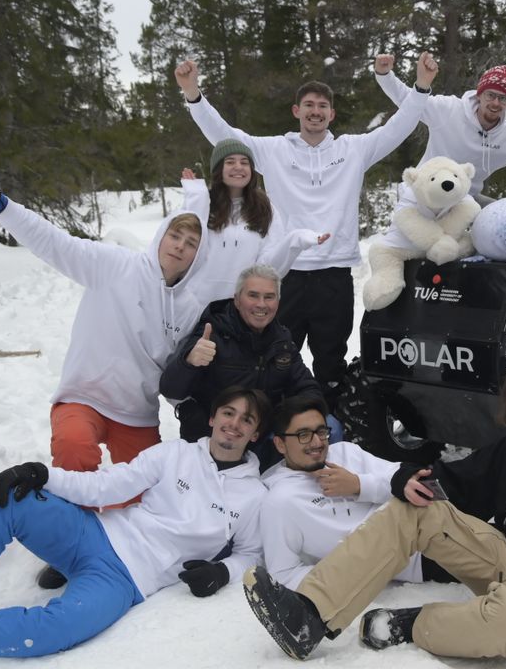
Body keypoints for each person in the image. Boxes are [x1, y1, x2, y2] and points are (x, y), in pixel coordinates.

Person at [240, 362, 506, 660]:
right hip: (505, 560)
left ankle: (411, 625)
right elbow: (453, 482)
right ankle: (310, 614)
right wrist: (404, 480)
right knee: (415, 507)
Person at [0, 387, 269, 666]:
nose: (234, 424)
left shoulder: (253, 496)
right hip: (94, 533)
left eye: (246, 420)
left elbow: (250, 551)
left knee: (58, 629)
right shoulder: (175, 454)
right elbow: (109, 484)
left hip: (125, 580)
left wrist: (222, 571)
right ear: (213, 417)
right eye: (228, 413)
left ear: (255, 433)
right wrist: (41, 474)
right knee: (13, 500)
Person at [174, 52, 438, 408]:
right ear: (296, 111)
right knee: (276, 359)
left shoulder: (354, 149)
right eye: (309, 105)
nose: (316, 111)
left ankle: (330, 429)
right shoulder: (274, 150)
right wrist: (193, 94)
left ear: (332, 114)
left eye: (323, 106)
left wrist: (421, 86)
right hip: (286, 275)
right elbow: (224, 136)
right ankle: (273, 430)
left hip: (334, 274)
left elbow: (399, 126)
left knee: (331, 362)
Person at [0, 160, 207, 474]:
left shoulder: (191, 307)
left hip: (136, 414)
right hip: (83, 398)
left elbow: (175, 371)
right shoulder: (114, 265)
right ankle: (68, 520)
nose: (180, 246)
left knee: (143, 495)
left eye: (191, 243)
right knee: (73, 454)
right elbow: (54, 243)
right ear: (161, 235)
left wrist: (194, 409)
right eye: (176, 236)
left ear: (199, 255)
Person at [259, 395, 455, 589]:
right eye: (303, 435)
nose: (317, 442)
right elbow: (283, 573)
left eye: (321, 431)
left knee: (476, 470)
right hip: (418, 557)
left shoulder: (345, 452)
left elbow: (405, 478)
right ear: (280, 444)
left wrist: (359, 485)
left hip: (435, 513)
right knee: (483, 549)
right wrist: (350, 573)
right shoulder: (281, 500)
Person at [160, 264, 322, 469]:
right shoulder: (213, 331)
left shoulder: (281, 339)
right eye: (253, 295)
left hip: (260, 435)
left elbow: (308, 389)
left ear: (278, 302)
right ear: (237, 300)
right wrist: (189, 362)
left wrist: (283, 419)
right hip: (214, 437)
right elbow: (170, 388)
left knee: (327, 426)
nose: (261, 304)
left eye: (269, 297)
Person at [372, 57, 506, 203]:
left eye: (502, 98)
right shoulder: (449, 110)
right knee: (432, 248)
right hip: (425, 195)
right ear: (479, 95)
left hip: (465, 202)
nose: (495, 103)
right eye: (490, 95)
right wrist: (384, 74)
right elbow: (407, 99)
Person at [179, 139, 330, 302]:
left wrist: (296, 240)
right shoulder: (203, 203)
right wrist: (195, 198)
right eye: (230, 162)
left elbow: (268, 267)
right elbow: (187, 246)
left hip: (243, 309)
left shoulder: (264, 208)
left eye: (244, 162)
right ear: (218, 169)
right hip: (197, 306)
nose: (238, 167)